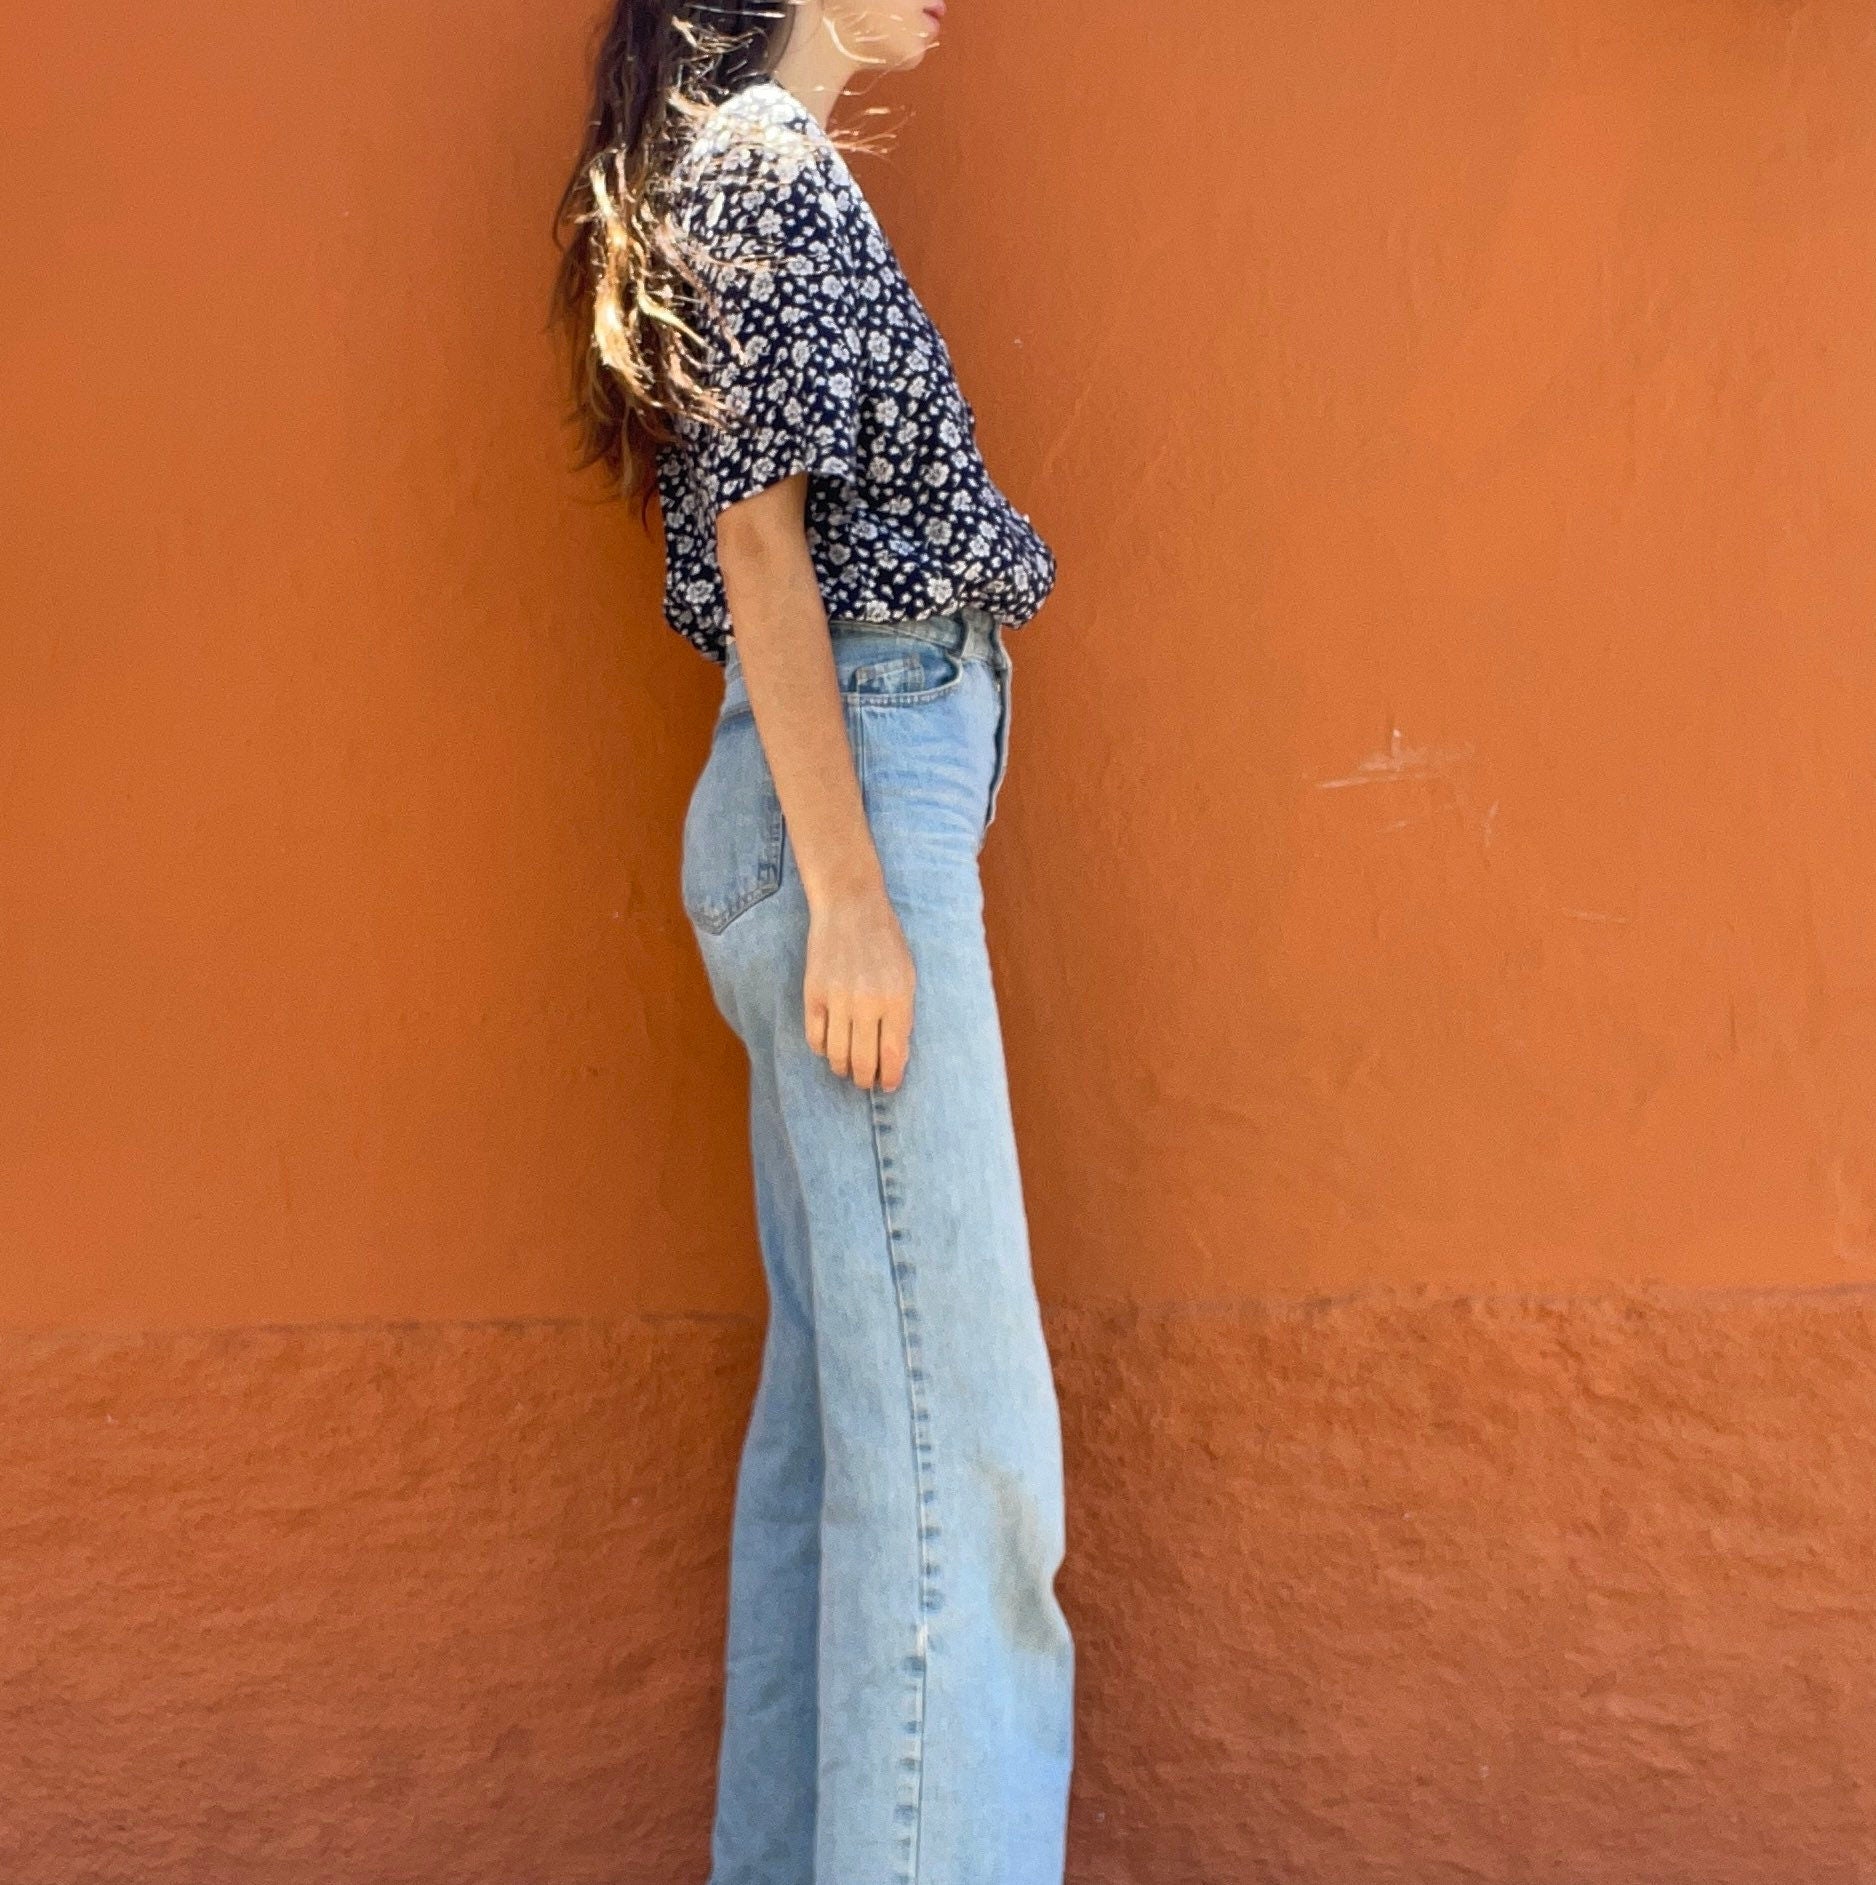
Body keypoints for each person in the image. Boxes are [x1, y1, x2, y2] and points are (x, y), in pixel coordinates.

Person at [550, 5, 1073, 1879]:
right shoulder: (765, 162)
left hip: (828, 799)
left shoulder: (749, 167)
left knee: (850, 1445)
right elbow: (763, 549)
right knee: (968, 1468)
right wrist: (858, 898)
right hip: (852, 802)